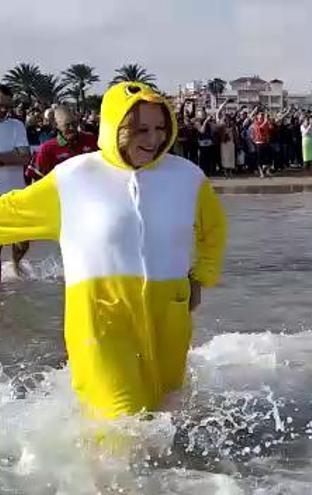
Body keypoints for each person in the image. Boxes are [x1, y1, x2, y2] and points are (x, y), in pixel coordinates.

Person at [0, 82, 227, 419]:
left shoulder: (188, 177)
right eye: (141, 130)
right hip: (100, 322)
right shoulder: (72, 178)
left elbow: (213, 230)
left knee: (166, 421)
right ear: (114, 128)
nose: (153, 140)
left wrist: (200, 278)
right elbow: (7, 214)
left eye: (161, 128)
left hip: (171, 319)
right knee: (120, 427)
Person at [0, 84, 31, 281]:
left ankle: (15, 267)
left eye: (7, 106)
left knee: (23, 243)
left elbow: (25, 157)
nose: (4, 110)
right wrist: (12, 155)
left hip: (17, 194)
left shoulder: (16, 126)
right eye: (0, 105)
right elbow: (18, 155)